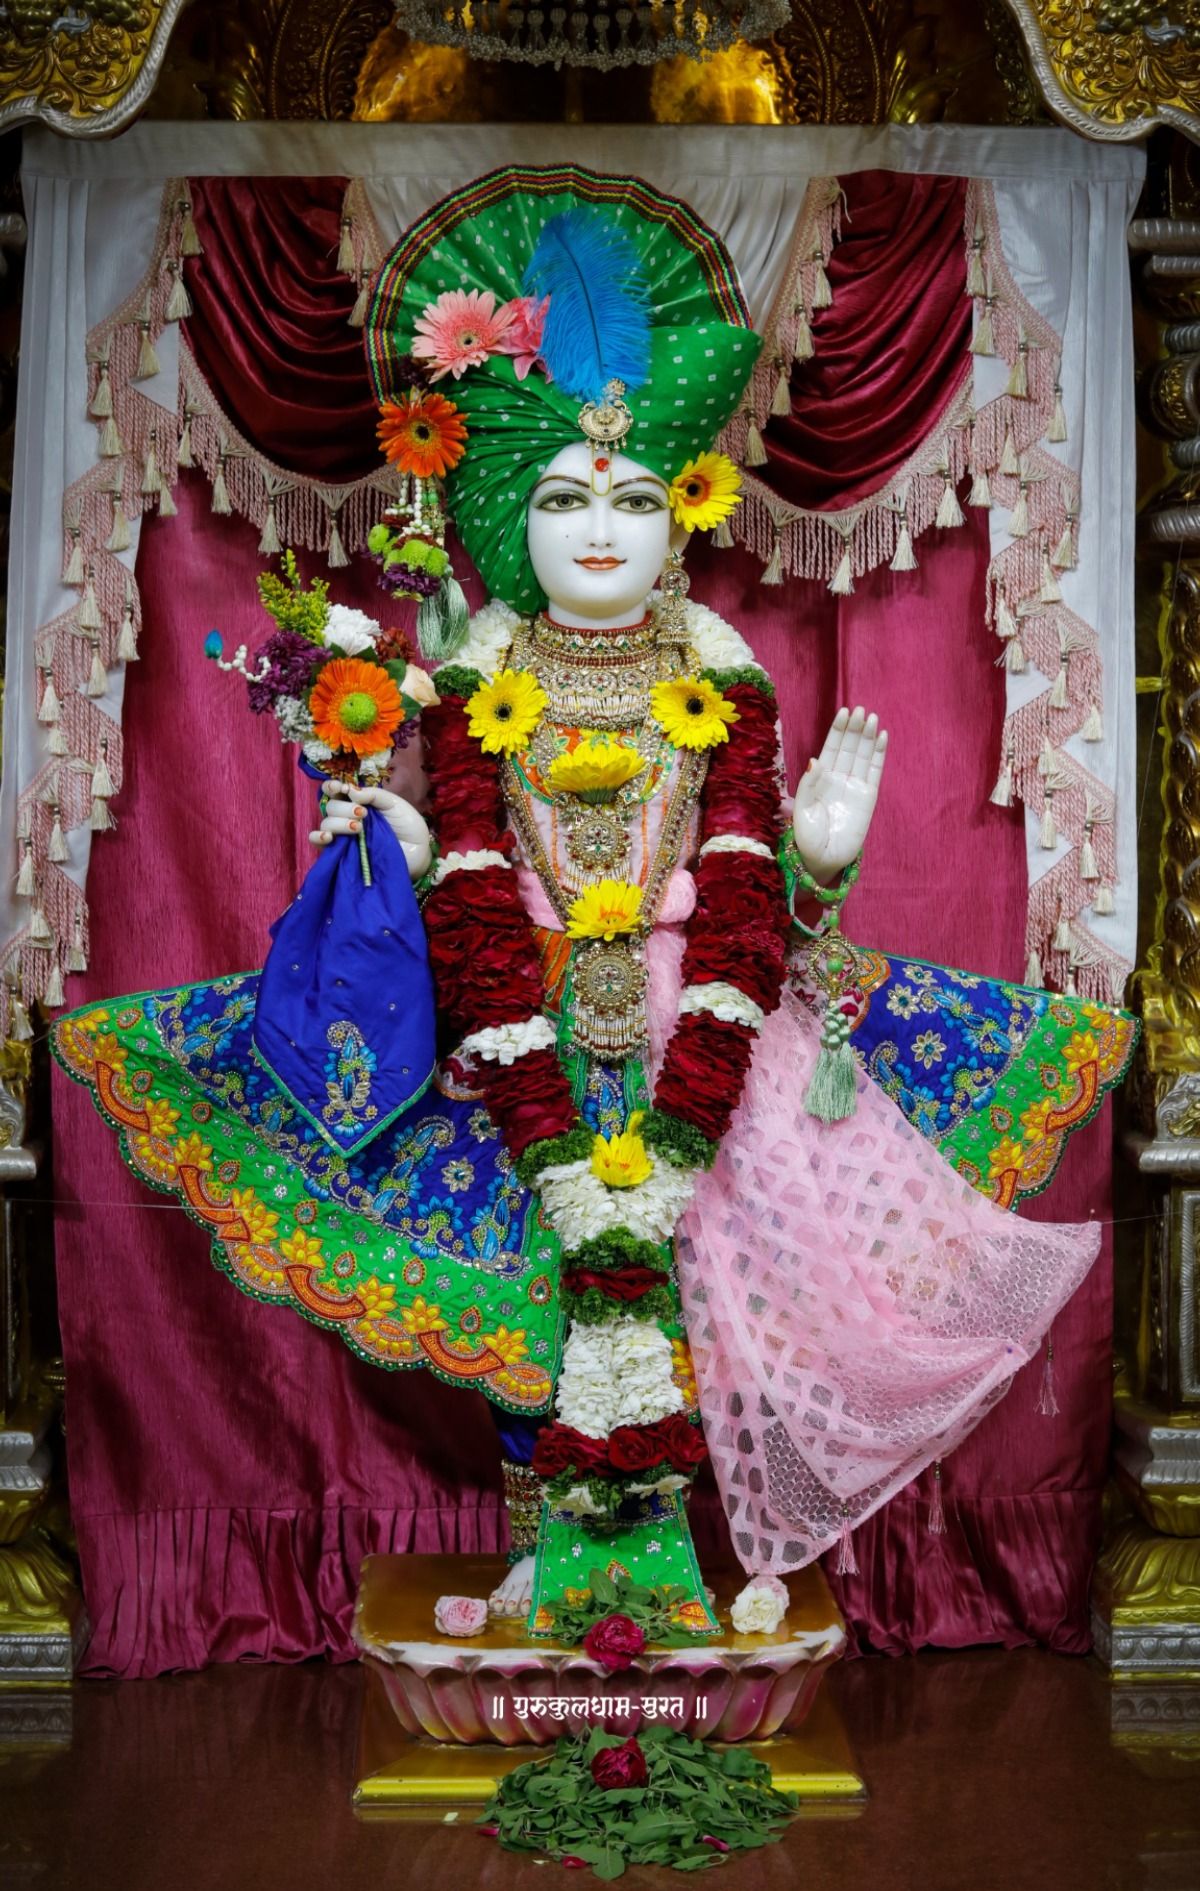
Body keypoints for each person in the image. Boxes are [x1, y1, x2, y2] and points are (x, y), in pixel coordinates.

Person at [56, 165, 1135, 1630]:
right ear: (513, 519)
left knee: (691, 1301)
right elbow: (466, 890)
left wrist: (818, 856)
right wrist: (396, 842)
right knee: (538, 1300)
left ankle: (667, 1562)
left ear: (680, 511)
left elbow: (766, 919)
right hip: (521, 1036)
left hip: (711, 1031)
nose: (604, 525)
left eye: (634, 495)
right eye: (565, 498)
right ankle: (549, 1555)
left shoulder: (721, 680)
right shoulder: (473, 683)